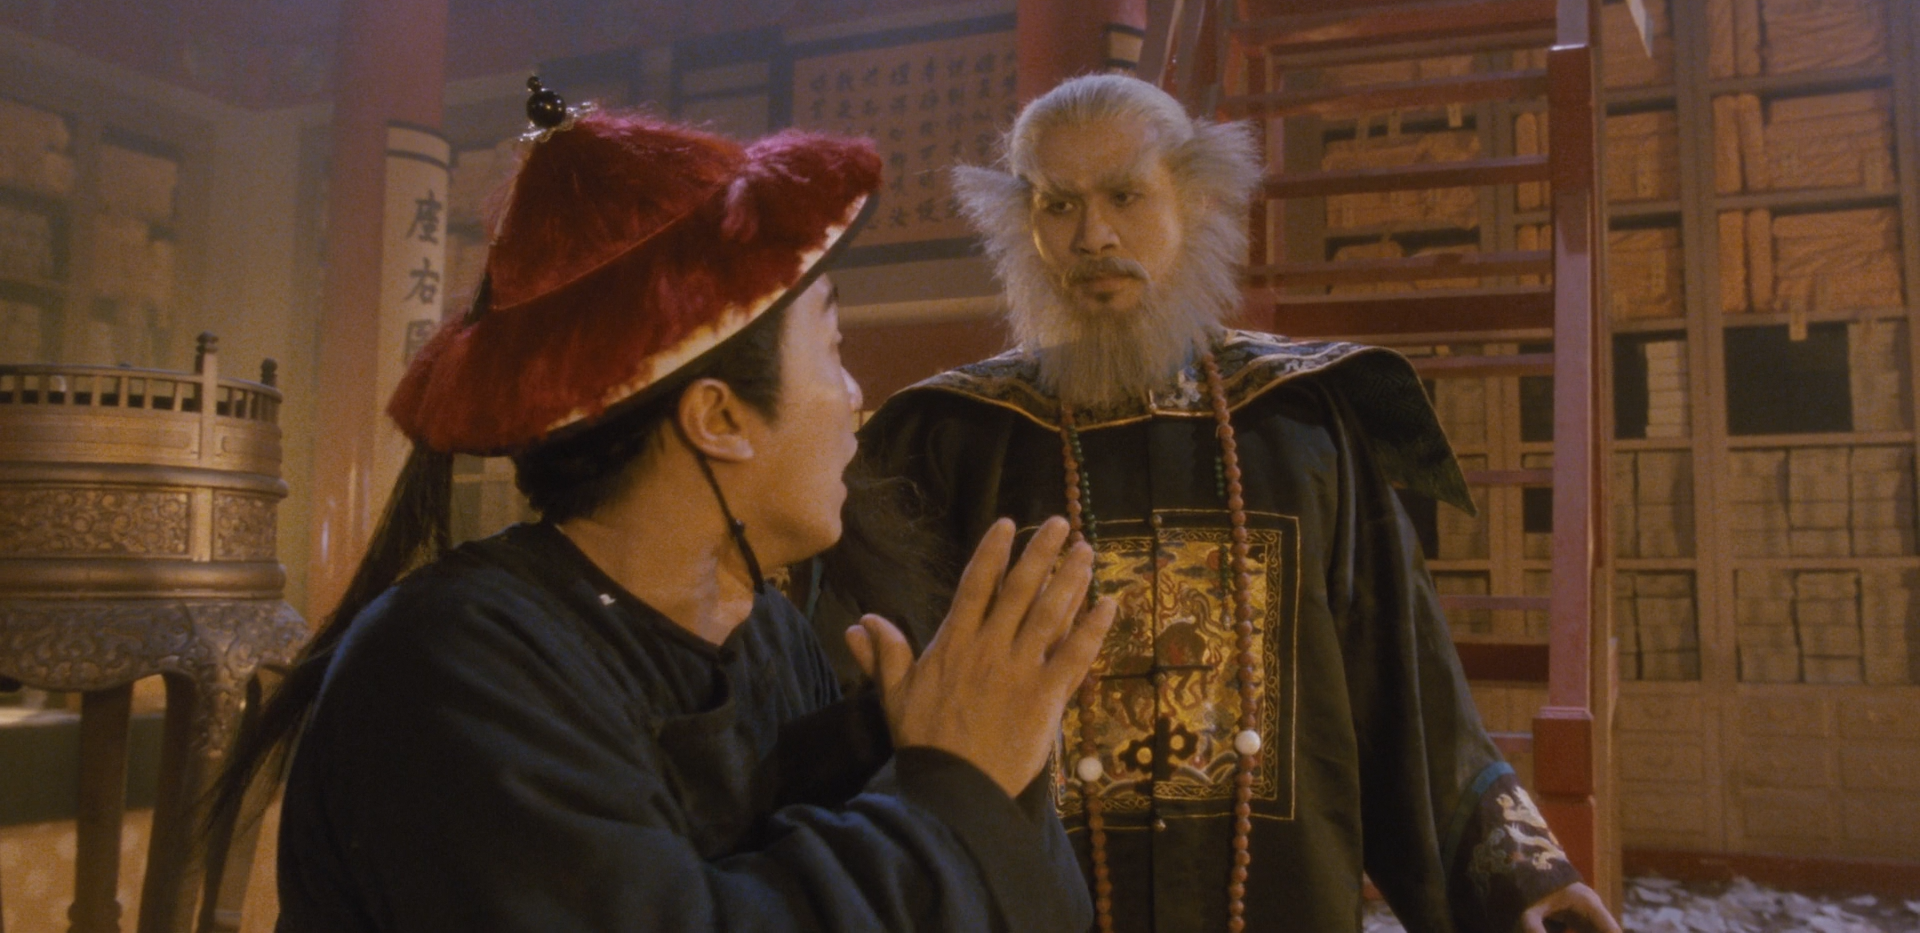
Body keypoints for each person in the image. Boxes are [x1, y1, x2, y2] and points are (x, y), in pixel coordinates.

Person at [209, 79, 1116, 932]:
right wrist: (949, 785)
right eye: (834, 348)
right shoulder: (451, 664)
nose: (854, 397)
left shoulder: (765, 633)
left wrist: (960, 747)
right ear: (719, 418)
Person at [819, 74, 1622, 933]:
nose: (1093, 236)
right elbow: (872, 695)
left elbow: (1404, 684)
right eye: (1058, 204)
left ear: (1196, 198)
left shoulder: (1300, 422)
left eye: (1126, 195)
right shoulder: (950, 438)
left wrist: (1517, 876)